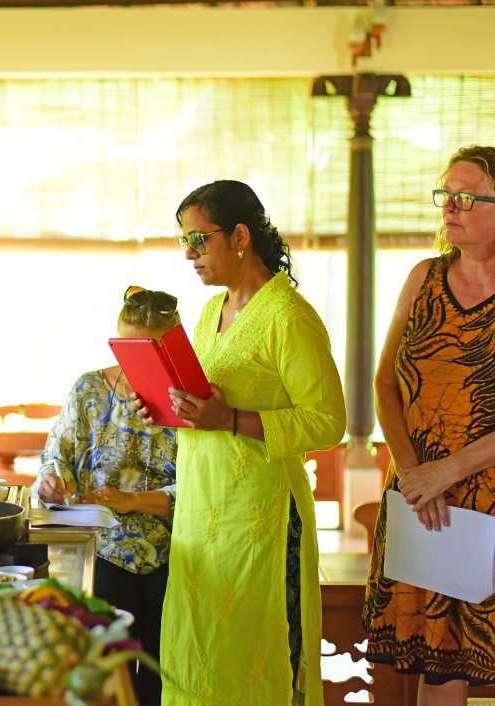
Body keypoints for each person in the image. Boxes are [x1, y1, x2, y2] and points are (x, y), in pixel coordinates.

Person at [364, 146, 495, 705]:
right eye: (446, 194)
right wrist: (413, 474)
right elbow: (385, 383)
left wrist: (443, 472)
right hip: (425, 497)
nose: (450, 206)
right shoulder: (422, 277)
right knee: (437, 666)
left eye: (467, 197)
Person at [145, 180, 346, 706]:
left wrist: (232, 419)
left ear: (239, 237)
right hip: (200, 512)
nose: (188, 253)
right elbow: (206, 405)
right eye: (184, 241)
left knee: (254, 659)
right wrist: (168, 408)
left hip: (262, 520)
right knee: (196, 658)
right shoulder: (210, 311)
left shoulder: (289, 316)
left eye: (199, 239)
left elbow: (328, 422)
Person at [36, 286, 179, 704]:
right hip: (100, 547)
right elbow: (56, 454)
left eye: (150, 353)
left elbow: (201, 487)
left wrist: (132, 501)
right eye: (126, 351)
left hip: (174, 550)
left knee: (162, 674)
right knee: (103, 671)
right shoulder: (89, 389)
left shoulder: (189, 398)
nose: (136, 364)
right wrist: (51, 479)